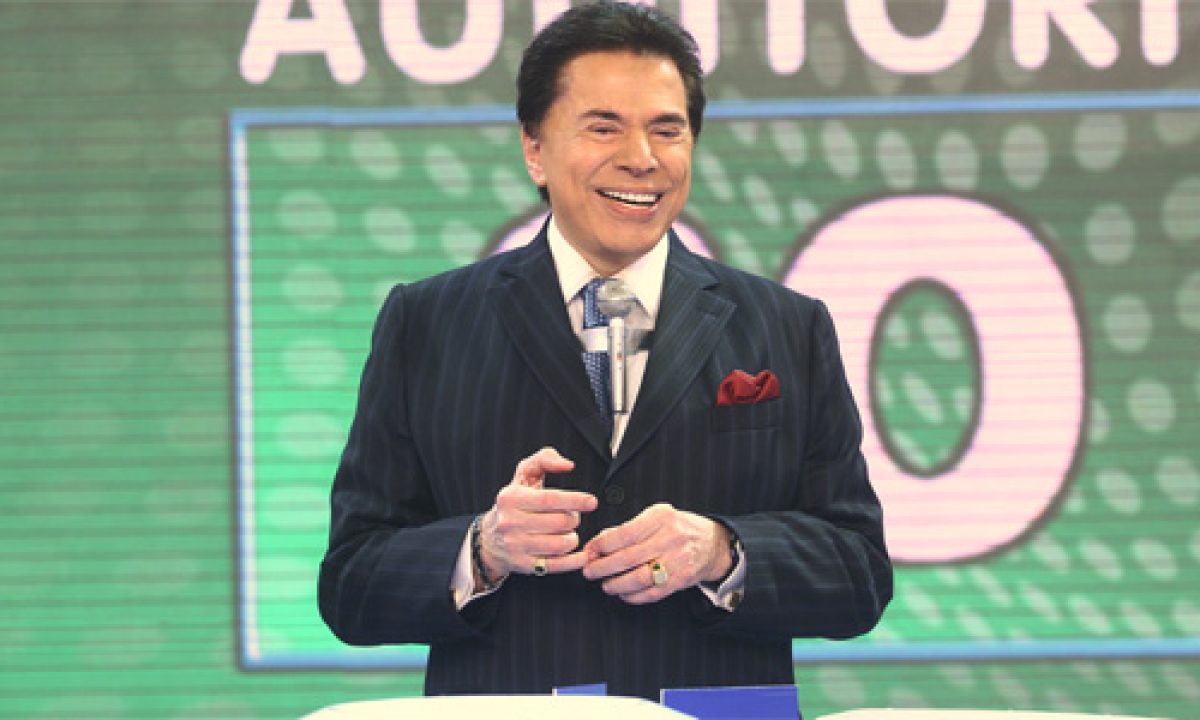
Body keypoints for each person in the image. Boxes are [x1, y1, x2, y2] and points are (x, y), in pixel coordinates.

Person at [318, 0, 892, 701]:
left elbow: (861, 573)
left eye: (667, 130)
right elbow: (350, 585)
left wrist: (723, 552)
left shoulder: (788, 327)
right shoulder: (428, 323)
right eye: (604, 127)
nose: (641, 159)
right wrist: (483, 548)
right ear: (534, 148)